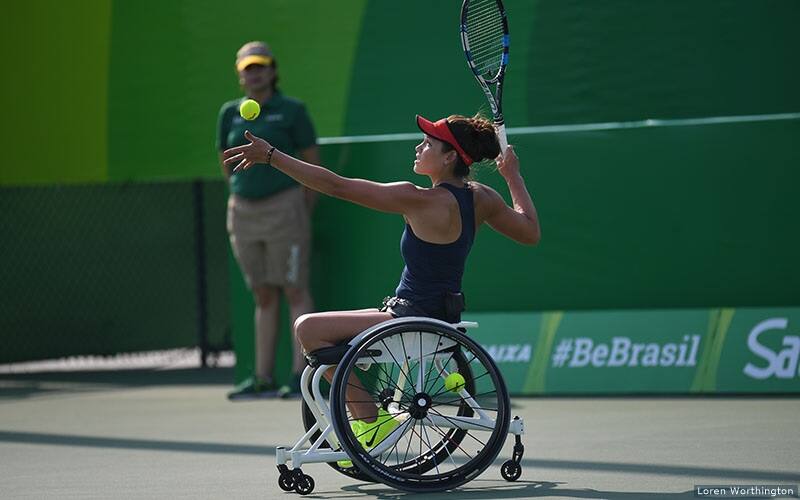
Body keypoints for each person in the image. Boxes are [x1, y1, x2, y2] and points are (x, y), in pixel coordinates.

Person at [223, 113, 540, 461]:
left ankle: (371, 421)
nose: (419, 147)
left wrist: (272, 156)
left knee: (307, 328)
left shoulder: (417, 198)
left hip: (414, 318)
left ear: (449, 157)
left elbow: (336, 186)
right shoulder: (482, 197)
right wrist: (513, 176)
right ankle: (367, 418)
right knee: (319, 331)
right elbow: (529, 231)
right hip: (435, 316)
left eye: (429, 144)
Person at [217, 41, 319, 399]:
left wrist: (300, 208)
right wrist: (239, 195)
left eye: (261, 67)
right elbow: (225, 162)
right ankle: (261, 377)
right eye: (248, 68)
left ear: (273, 71)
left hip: (285, 208)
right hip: (243, 211)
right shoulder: (229, 113)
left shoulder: (292, 111)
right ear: (240, 74)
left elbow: (311, 162)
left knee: (294, 289)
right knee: (262, 294)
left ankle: (299, 375)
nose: (255, 73)